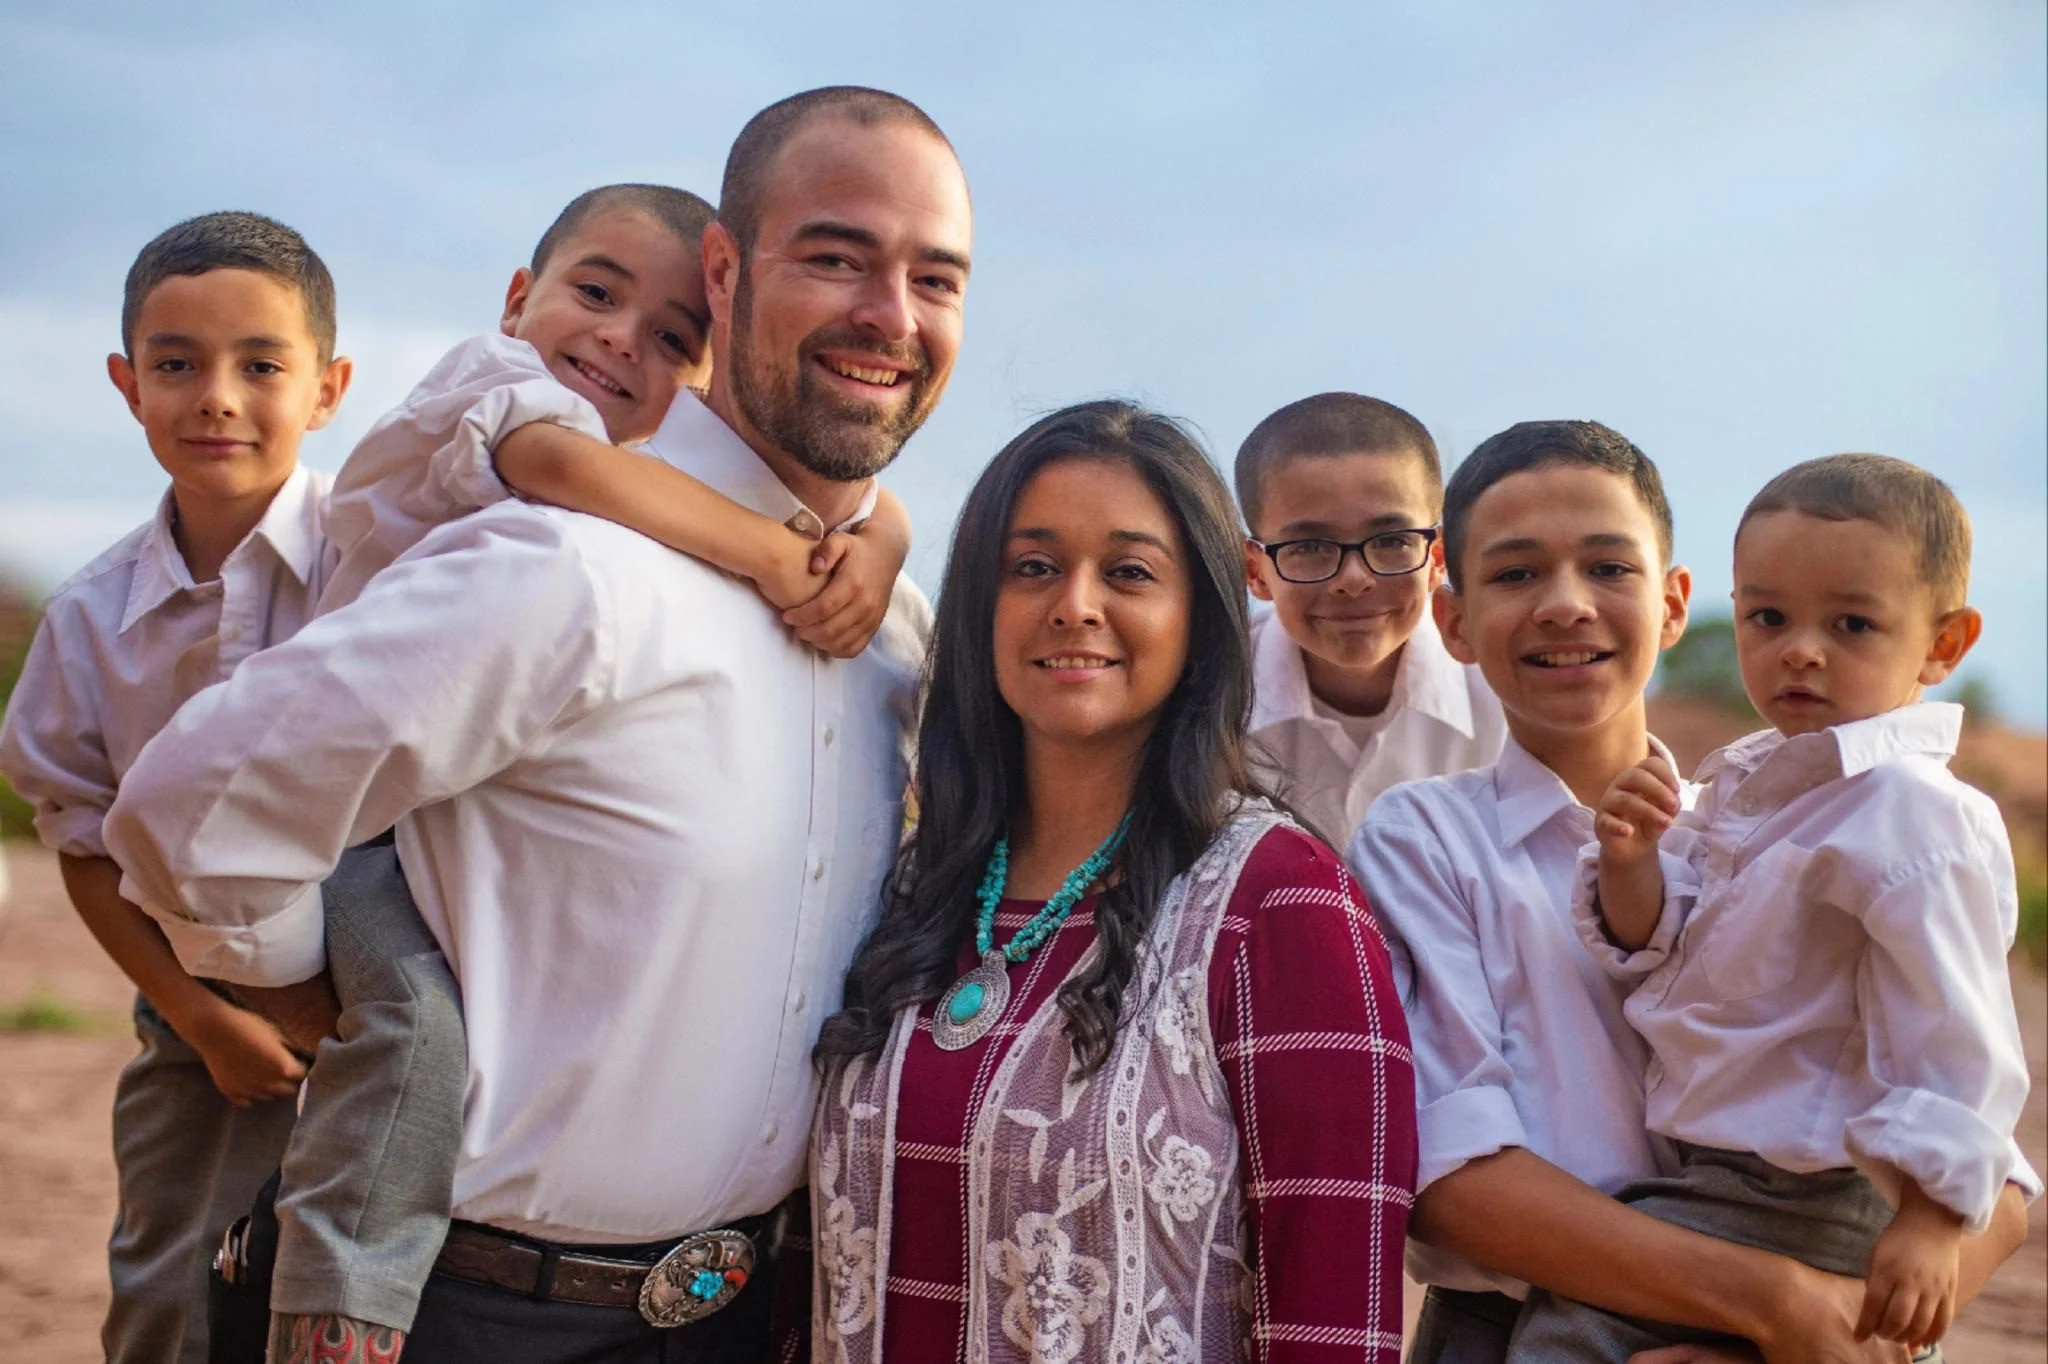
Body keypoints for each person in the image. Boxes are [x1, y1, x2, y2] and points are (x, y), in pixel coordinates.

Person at [103, 84, 970, 1364]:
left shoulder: (890, 630)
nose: (889, 314)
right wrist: (315, 991)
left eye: (935, 277)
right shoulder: (567, 569)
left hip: (754, 1319)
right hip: (461, 1316)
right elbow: (191, 808)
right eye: (837, 256)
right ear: (726, 275)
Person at [1347, 421, 2030, 1364]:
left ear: (1674, 606)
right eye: (1514, 575)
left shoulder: (1813, 826)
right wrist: (1779, 1306)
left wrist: (1843, 1333)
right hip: (1540, 1324)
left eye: (1609, 568)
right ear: (1454, 624)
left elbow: (1995, 1165)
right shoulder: (1425, 839)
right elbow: (1453, 1177)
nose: (1565, 605)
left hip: (1826, 1298)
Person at [807, 400, 1418, 1364]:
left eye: (1129, 572)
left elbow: (1336, 1322)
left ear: (1200, 619)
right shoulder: (916, 885)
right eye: (1034, 567)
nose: (1075, 605)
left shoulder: (1282, 904)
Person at [0, 211, 353, 1364]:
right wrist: (201, 1019)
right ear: (126, 384)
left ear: (329, 386)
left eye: (261, 364)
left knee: (367, 1295)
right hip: (198, 1012)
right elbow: (82, 840)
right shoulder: (90, 620)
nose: (216, 396)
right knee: (168, 1297)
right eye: (176, 364)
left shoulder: (393, 564)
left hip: (393, 1008)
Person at [1235, 392, 1505, 849]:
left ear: (1438, 557)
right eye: (1310, 548)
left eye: (1392, 541)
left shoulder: (1503, 693)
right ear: (1256, 572)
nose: (1354, 580)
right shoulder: (1209, 703)